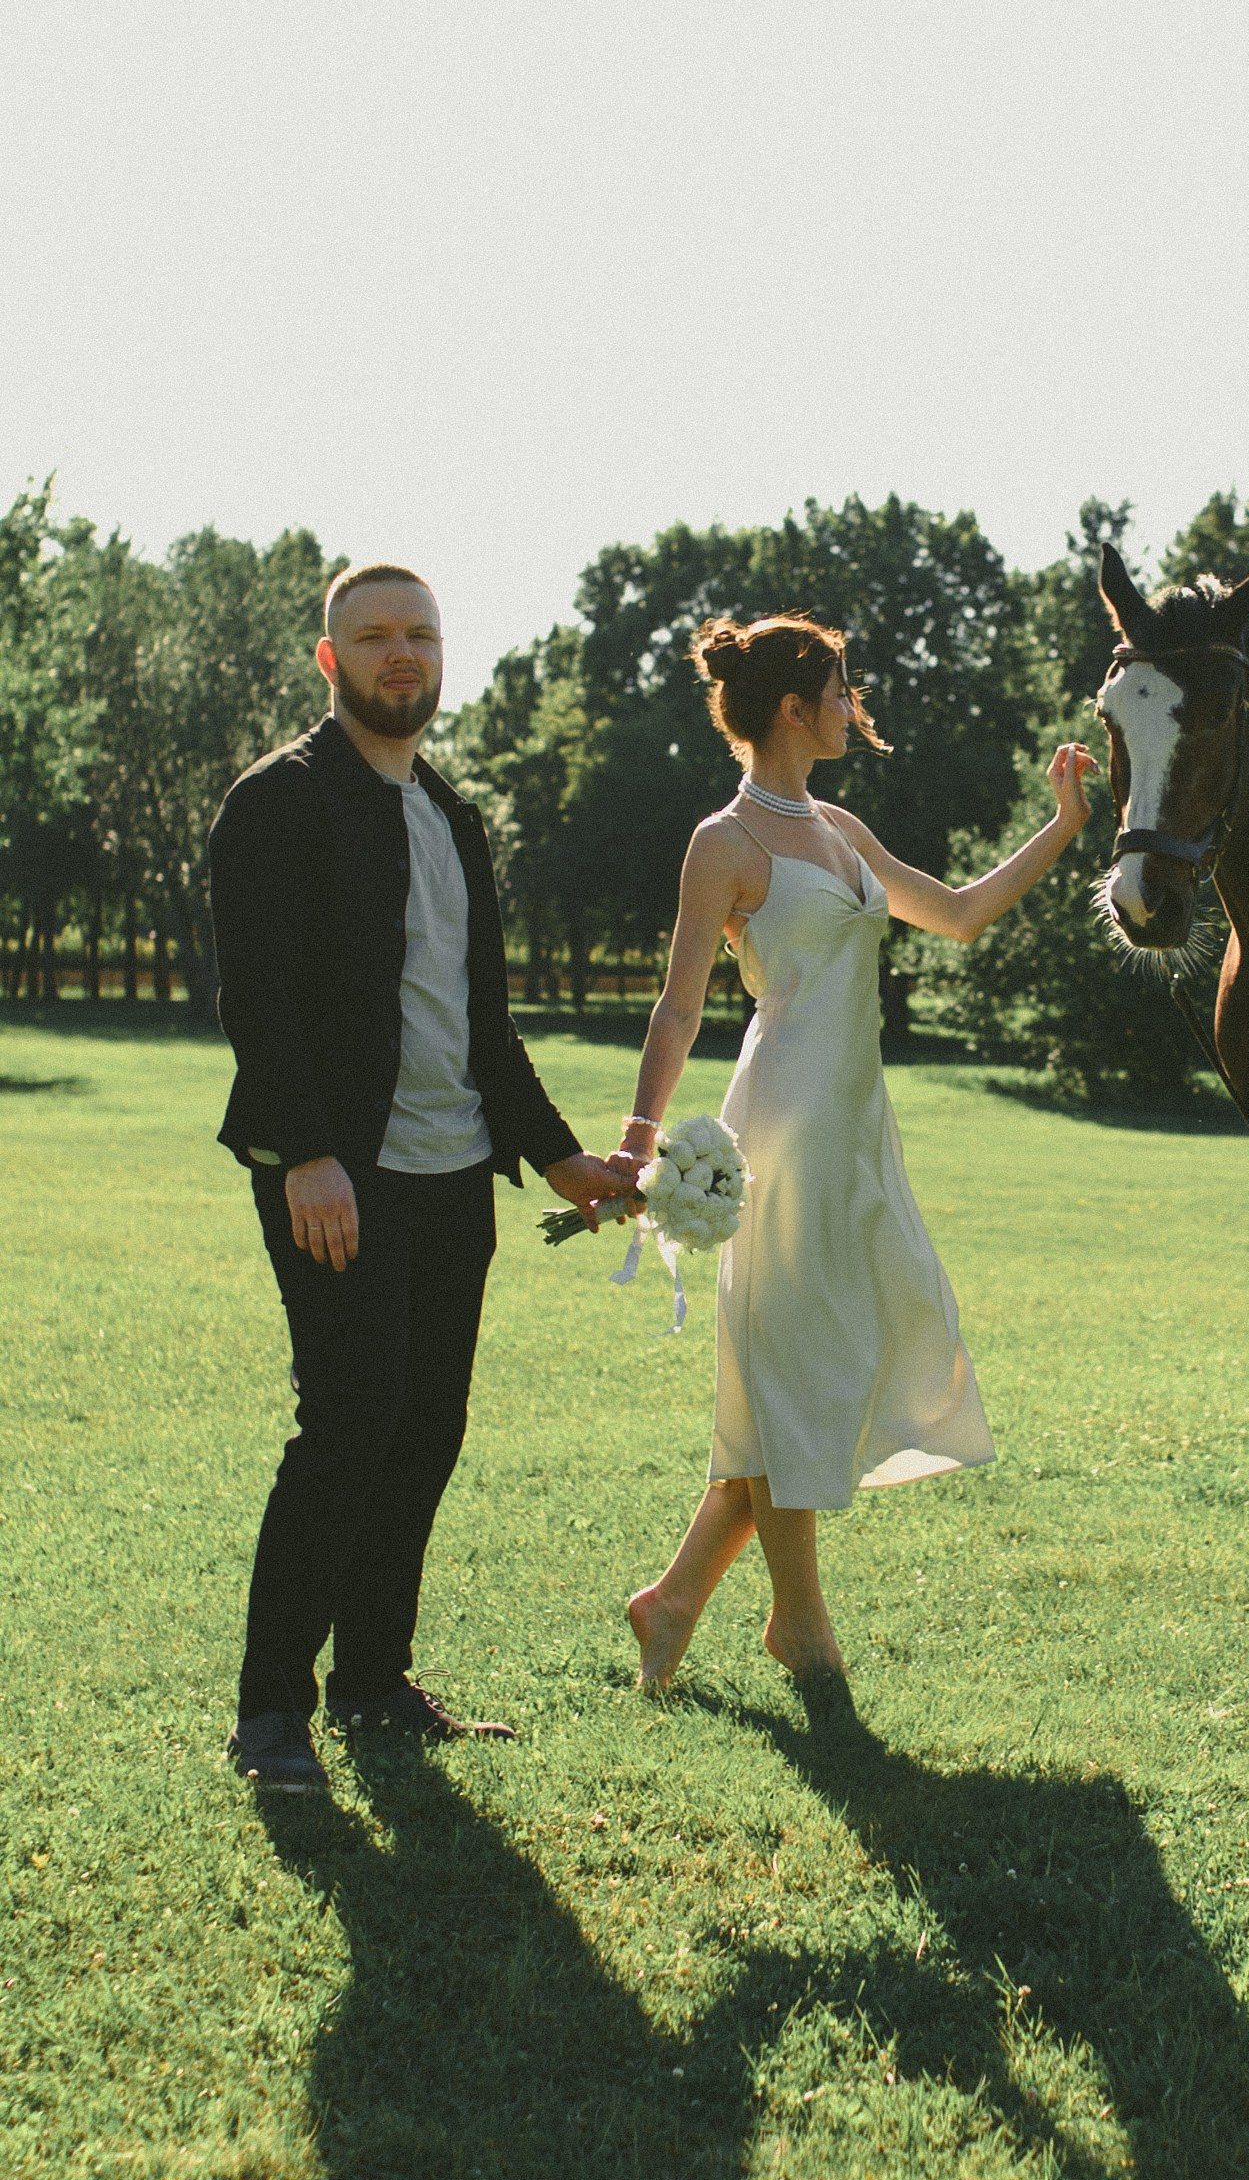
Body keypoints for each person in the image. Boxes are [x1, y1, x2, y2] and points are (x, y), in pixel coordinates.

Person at [209, 562, 637, 1794]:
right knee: (346, 1423)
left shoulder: (454, 816)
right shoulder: (277, 803)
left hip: (454, 1174)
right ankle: (269, 1712)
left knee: (425, 1430)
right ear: (327, 658)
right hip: (339, 1173)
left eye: (421, 634)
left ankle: (374, 1683)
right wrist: (306, 1154)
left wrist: (561, 1158)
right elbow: (262, 1000)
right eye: (375, 635)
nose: (403, 654)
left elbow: (483, 1027)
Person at [620, 613, 1095, 1695]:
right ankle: (801, 1625)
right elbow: (677, 1006)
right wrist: (636, 1145)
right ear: (794, 707)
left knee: (824, 1367)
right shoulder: (724, 842)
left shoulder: (837, 826)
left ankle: (678, 1596)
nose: (854, 706)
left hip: (858, 1134)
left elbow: (962, 914)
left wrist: (1062, 823)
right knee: (800, 1373)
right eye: (841, 690)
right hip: (782, 1132)